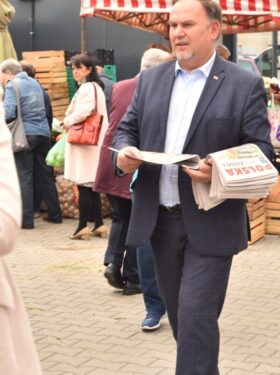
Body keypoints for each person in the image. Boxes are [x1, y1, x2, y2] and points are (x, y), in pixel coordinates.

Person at [112, 0, 273, 372]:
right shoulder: (151, 80)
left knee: (197, 317)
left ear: (213, 30)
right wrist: (123, 155)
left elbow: (260, 150)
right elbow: (125, 131)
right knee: (185, 324)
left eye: (187, 24)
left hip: (212, 221)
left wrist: (219, 168)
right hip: (160, 223)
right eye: (172, 25)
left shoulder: (242, 83)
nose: (177, 33)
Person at [94, 48, 172, 298]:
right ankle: (132, 277)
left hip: (113, 157)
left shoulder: (120, 86)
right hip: (134, 162)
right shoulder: (155, 89)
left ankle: (112, 262)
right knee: (139, 220)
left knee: (120, 217)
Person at [0, 103, 43, 375]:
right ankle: (32, 217)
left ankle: (29, 217)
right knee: (31, 177)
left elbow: (4, 224)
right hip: (35, 136)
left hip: (24, 137)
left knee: (27, 177)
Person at [2, 58, 62, 229]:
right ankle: (55, 214)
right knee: (45, 176)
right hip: (43, 133)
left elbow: (7, 113)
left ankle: (26, 220)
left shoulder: (12, 85)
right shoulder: (35, 83)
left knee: (25, 177)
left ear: (8, 72)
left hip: (25, 135)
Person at [61, 54, 109, 240]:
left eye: (78, 67)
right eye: (73, 68)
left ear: (89, 69)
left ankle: (82, 226)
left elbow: (84, 111)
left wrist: (66, 122)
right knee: (90, 186)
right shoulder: (95, 87)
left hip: (86, 143)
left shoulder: (88, 87)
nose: (75, 71)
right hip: (92, 142)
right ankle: (98, 225)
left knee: (83, 184)